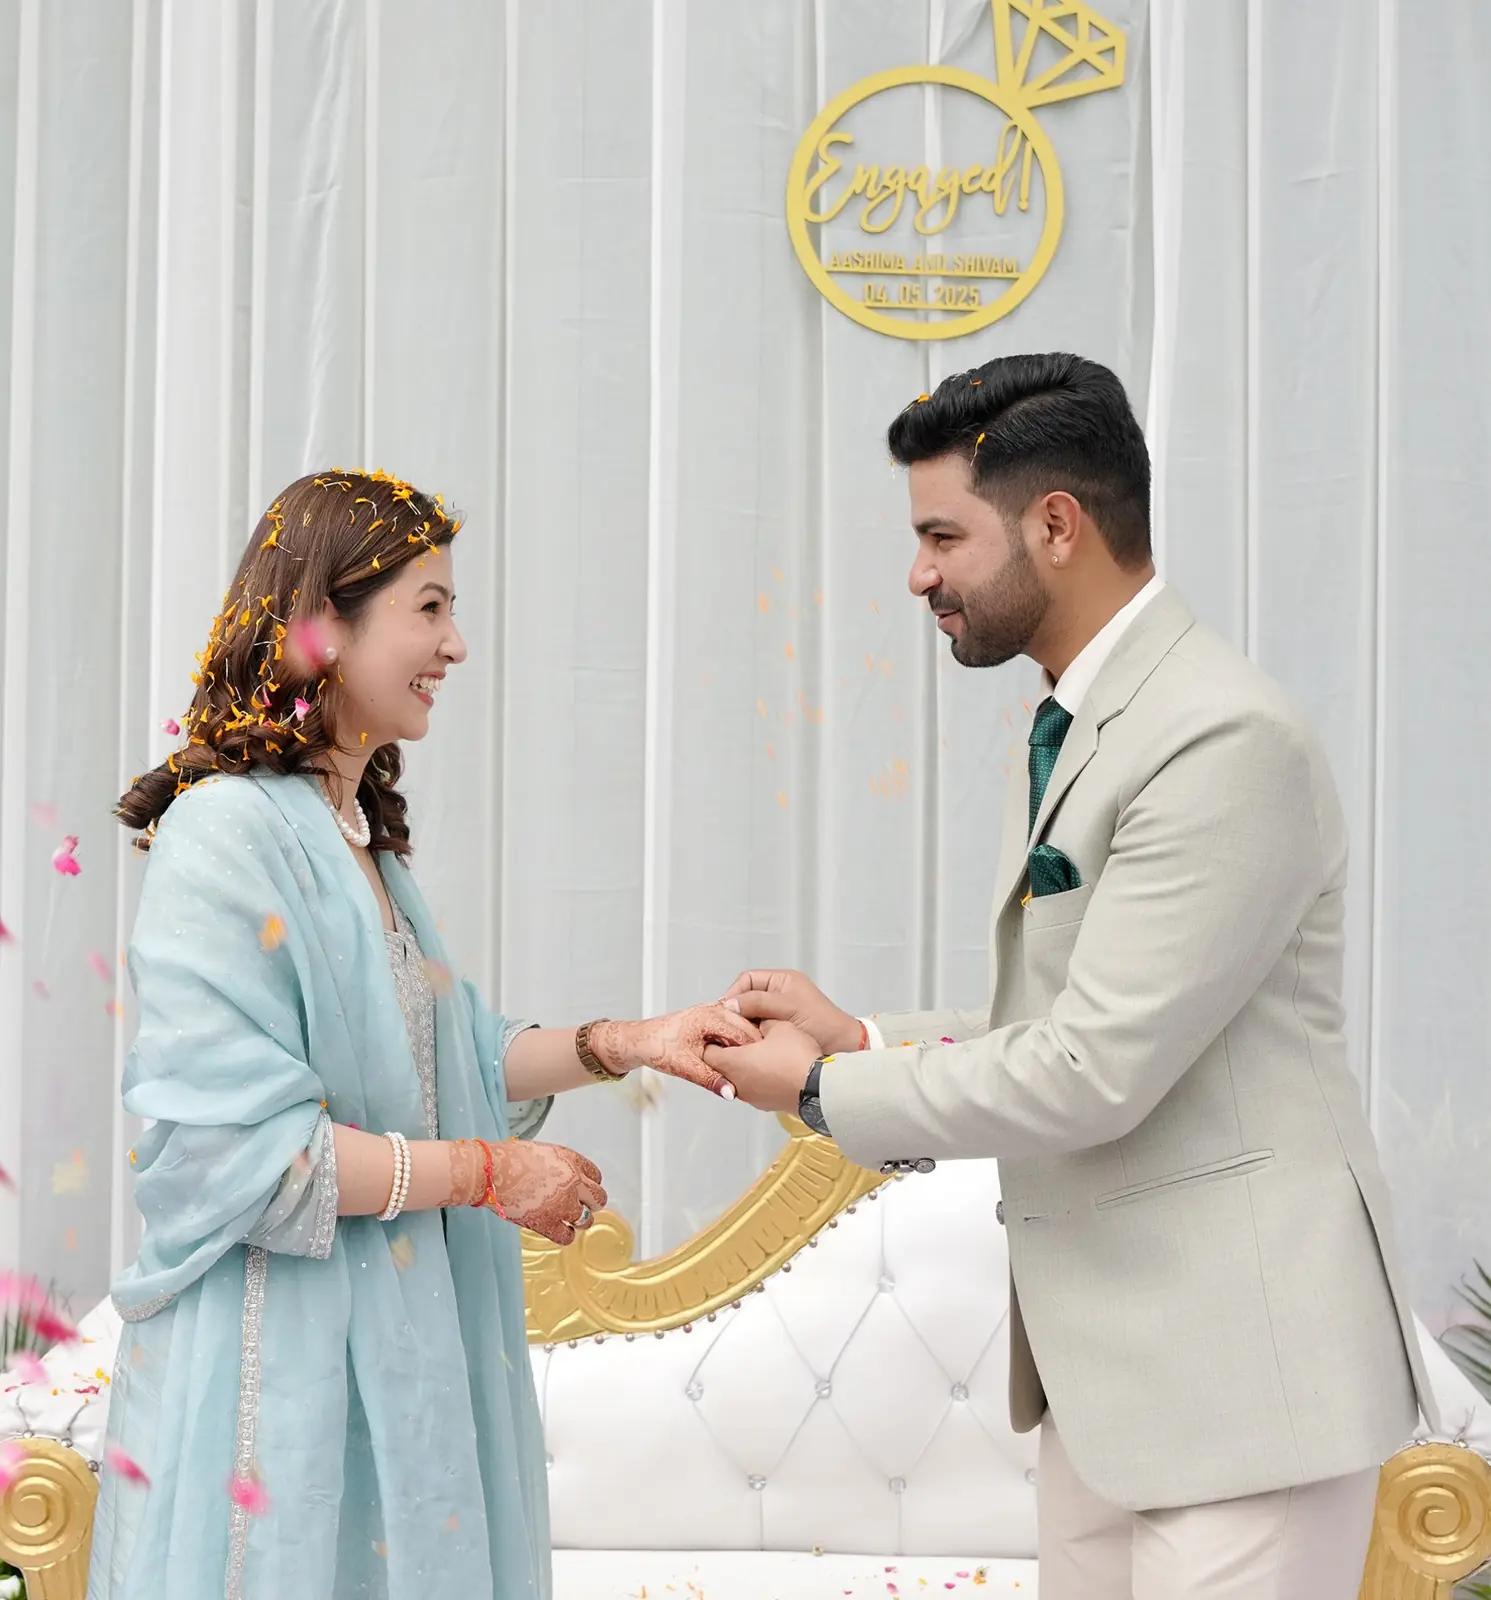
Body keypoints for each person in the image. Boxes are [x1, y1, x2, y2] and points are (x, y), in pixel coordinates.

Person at [705, 355, 1436, 1600]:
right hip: (1117, 1386)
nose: (918, 573)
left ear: (1057, 524)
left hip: (1244, 1386)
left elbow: (1092, 1069)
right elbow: (1064, 1019)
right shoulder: (1093, 717)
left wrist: (827, 1088)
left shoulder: (1219, 737)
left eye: (943, 534)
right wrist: (864, 1031)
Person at [90, 469, 757, 1600]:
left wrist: (632, 1040)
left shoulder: (358, 841)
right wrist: (493, 1172)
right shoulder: (224, 835)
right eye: (429, 608)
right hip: (278, 1372)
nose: (456, 645)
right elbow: (249, 1156)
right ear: (324, 626)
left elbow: (450, 1067)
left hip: (389, 1344)